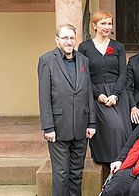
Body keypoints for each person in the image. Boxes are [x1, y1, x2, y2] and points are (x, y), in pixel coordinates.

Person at [38, 23, 96, 196]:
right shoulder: (46, 60)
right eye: (64, 37)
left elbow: (88, 93)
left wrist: (91, 122)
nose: (69, 41)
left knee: (76, 173)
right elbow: (44, 96)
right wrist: (48, 127)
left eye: (72, 38)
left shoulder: (83, 61)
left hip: (81, 126)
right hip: (58, 127)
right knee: (62, 174)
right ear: (57, 40)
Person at [78, 10, 132, 165]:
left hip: (117, 95)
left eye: (109, 23)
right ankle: (109, 160)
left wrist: (115, 94)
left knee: (123, 130)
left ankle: (123, 163)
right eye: (103, 23)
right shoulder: (84, 47)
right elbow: (84, 75)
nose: (107, 26)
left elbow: (123, 73)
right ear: (94, 25)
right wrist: (97, 94)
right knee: (114, 127)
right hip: (96, 95)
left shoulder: (118, 46)